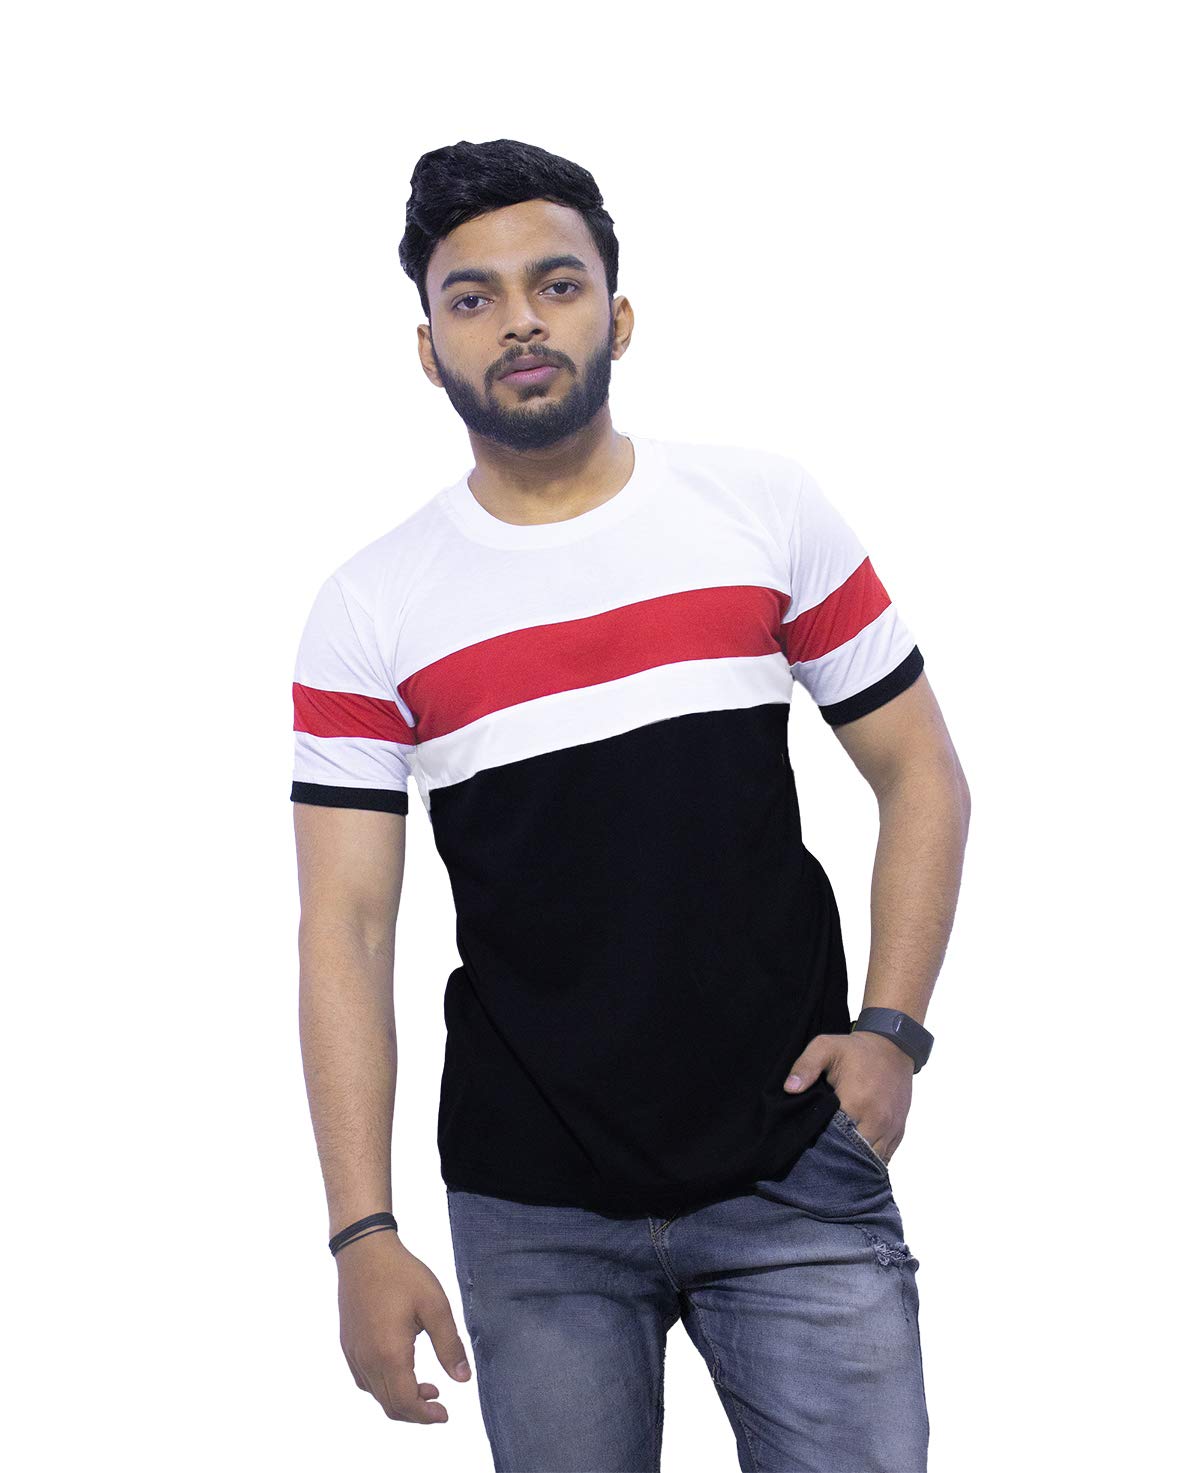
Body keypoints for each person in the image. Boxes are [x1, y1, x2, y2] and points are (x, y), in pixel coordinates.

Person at [290, 137, 970, 1473]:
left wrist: (891, 1030)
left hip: (794, 1167)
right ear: (427, 347)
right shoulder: (370, 609)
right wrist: (362, 1231)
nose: (520, 320)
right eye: (473, 297)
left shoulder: (761, 511)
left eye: (556, 283)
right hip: (532, 1208)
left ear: (619, 313)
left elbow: (921, 771)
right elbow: (347, 930)